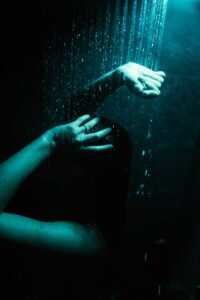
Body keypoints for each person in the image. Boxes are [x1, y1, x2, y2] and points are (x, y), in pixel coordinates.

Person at [0, 62, 166, 299]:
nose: (68, 140)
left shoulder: (85, 241)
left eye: (72, 147)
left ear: (87, 170)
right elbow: (74, 111)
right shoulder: (77, 201)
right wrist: (117, 76)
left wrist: (51, 140)